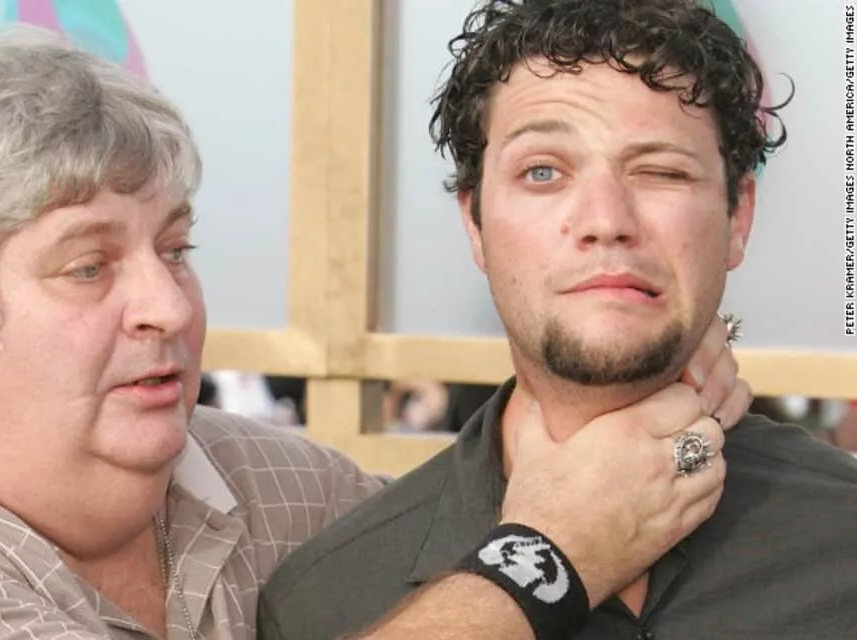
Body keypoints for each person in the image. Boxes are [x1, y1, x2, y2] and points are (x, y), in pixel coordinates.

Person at [0, 24, 750, 640]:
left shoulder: (263, 482)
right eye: (88, 266)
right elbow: (511, 553)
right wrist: (547, 558)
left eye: (175, 249)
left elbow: (437, 538)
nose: (169, 307)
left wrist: (644, 374)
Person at [257, 1, 857, 639]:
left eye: (661, 171)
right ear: (475, 225)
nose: (605, 220)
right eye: (542, 172)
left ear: (738, 217)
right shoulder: (324, 600)